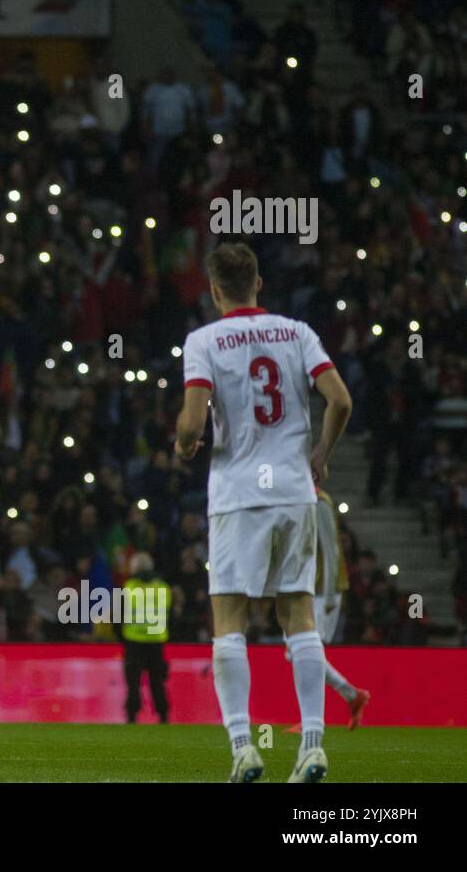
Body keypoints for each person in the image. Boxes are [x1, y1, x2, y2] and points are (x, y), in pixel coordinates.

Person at [176, 242, 353, 783]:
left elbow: (192, 421)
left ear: (214, 290)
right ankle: (314, 748)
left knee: (229, 620)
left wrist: (184, 445)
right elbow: (340, 400)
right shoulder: (298, 332)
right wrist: (320, 454)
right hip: (294, 492)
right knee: (298, 616)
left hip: (237, 494)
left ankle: (243, 748)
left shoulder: (204, 340)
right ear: (258, 284)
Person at [286, 489, 371, 730]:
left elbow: (331, 547)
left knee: (305, 651)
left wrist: (332, 592)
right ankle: (352, 696)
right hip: (305, 587)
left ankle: (312, 718)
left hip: (324, 589)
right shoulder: (299, 497)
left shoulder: (319, 501)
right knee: (296, 652)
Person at [119, 552, 171, 724]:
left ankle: (132, 716)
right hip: (156, 641)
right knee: (157, 682)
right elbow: (169, 614)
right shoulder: (162, 587)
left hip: (134, 641)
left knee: (133, 683)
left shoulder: (129, 587)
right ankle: (163, 716)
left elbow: (120, 614)